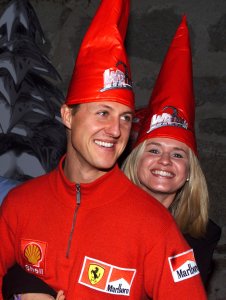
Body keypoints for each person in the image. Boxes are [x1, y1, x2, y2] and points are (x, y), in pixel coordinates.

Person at [0, 1, 207, 299]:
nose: (116, 129)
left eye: (125, 117)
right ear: (68, 116)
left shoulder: (154, 224)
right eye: (102, 113)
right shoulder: (19, 204)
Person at [122, 16, 221, 287]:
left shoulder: (202, 236)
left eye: (178, 154)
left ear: (189, 171)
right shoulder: (100, 211)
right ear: (135, 161)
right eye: (154, 149)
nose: (165, 161)